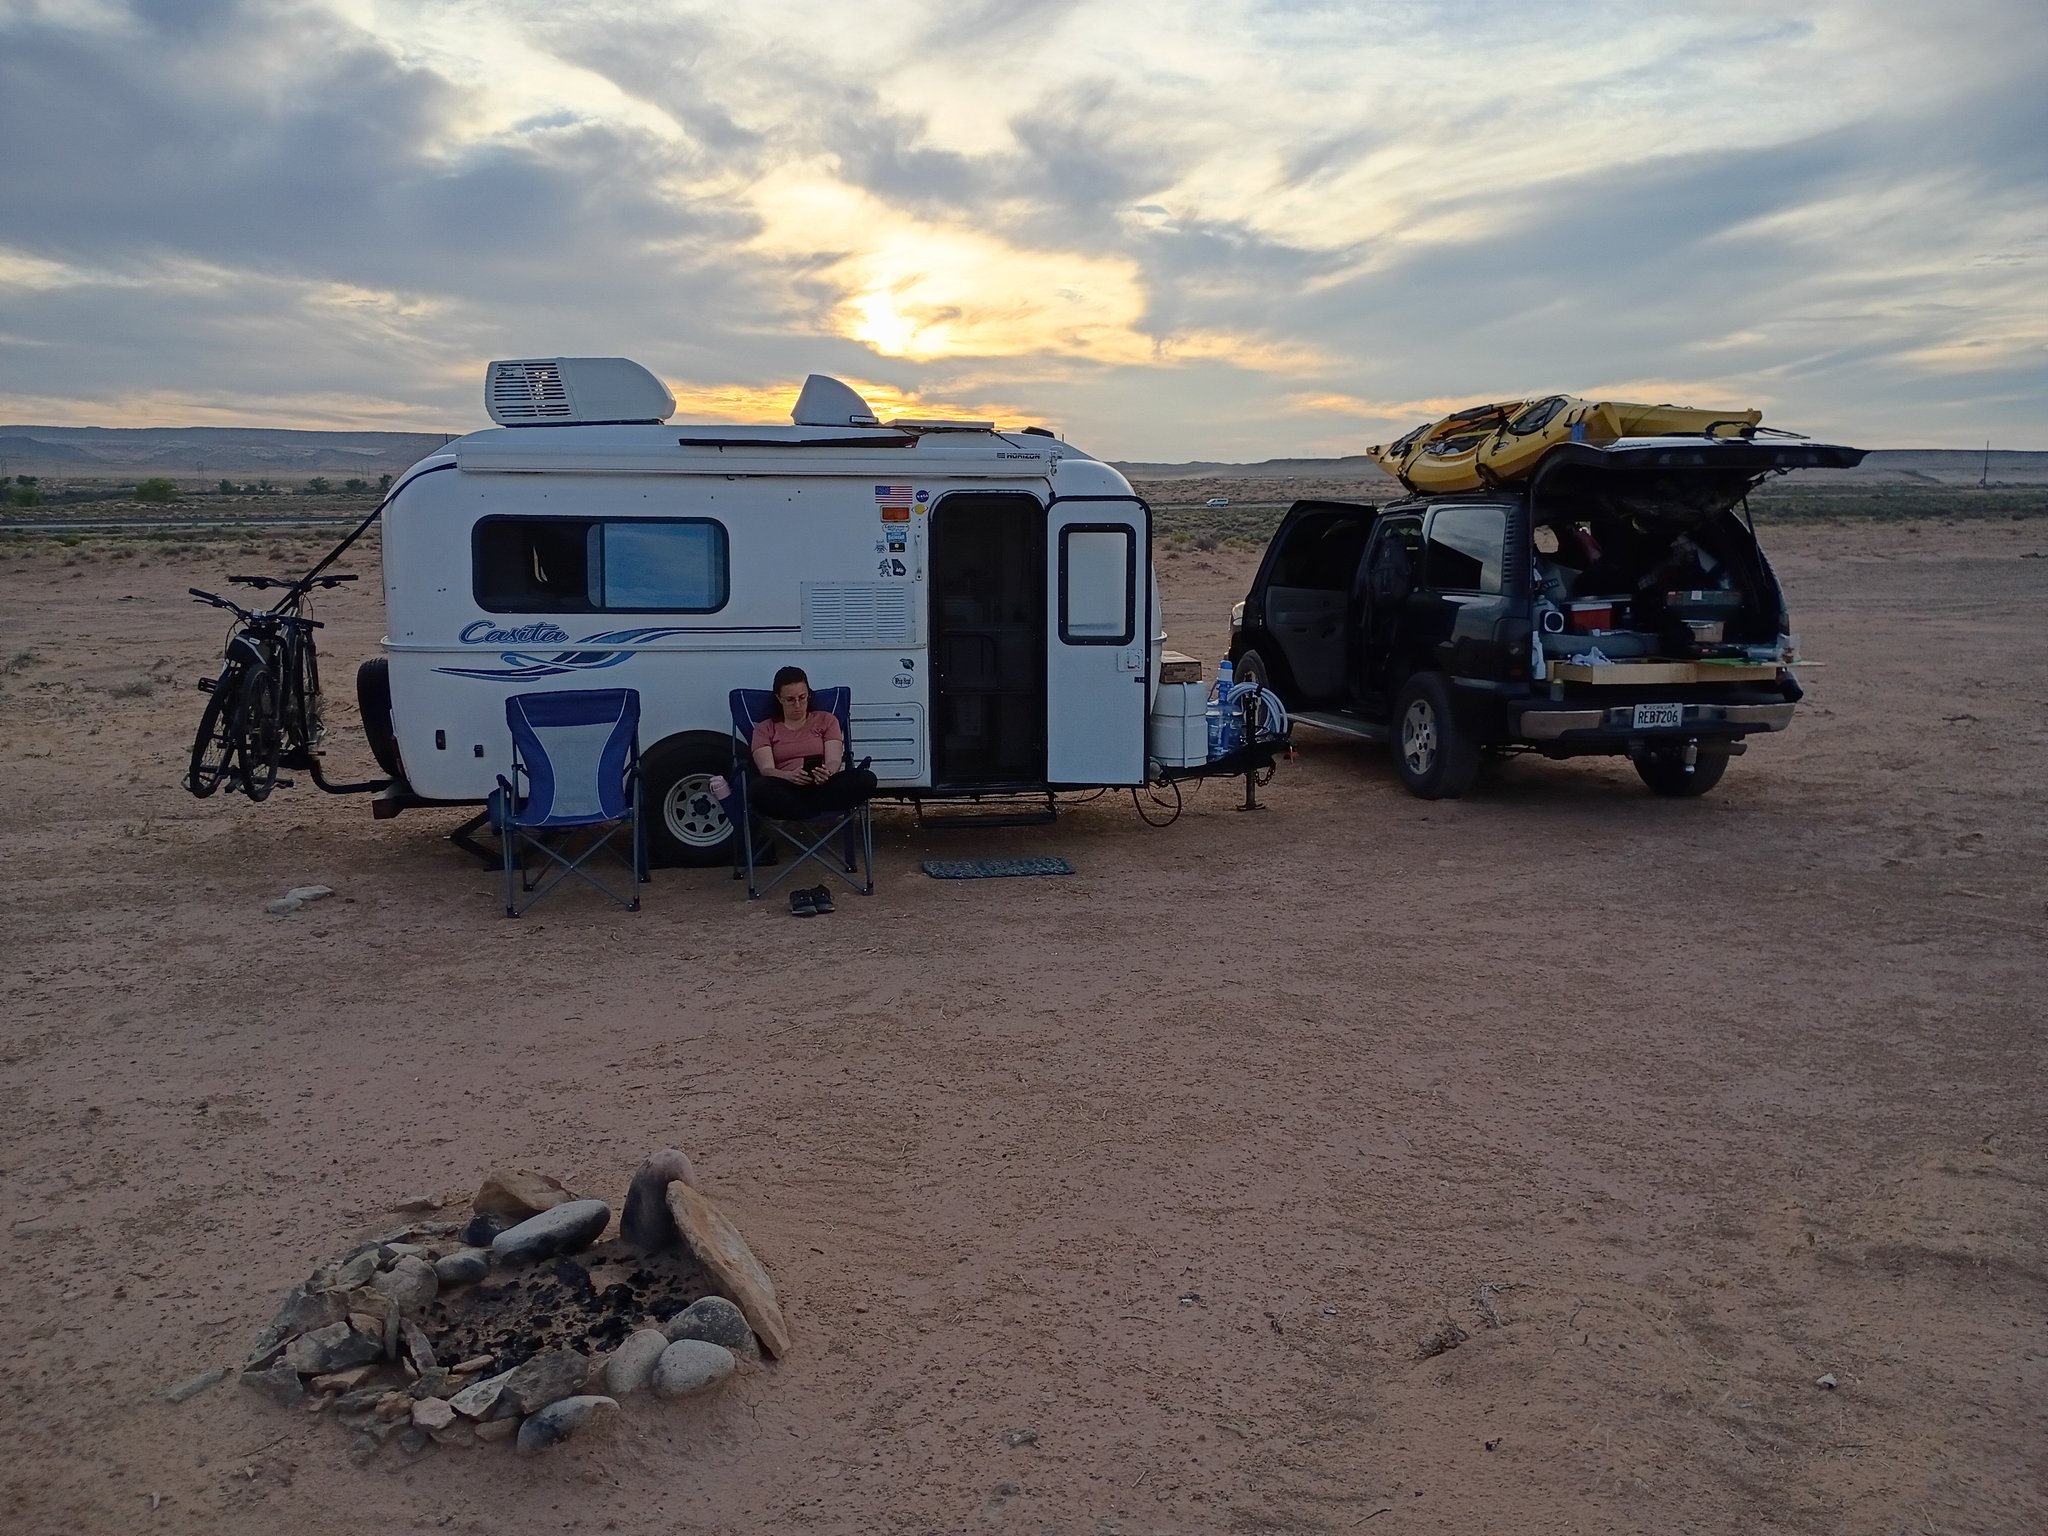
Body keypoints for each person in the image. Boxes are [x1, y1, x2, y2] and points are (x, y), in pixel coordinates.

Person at [746, 665, 878, 819]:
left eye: (802, 697)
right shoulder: (765, 728)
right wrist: (788, 776)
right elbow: (767, 769)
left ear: (809, 695)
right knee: (758, 789)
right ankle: (812, 808)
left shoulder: (826, 720)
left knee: (866, 779)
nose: (797, 705)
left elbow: (834, 759)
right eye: (790, 700)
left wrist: (826, 773)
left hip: (823, 784)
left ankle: (803, 809)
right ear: (779, 698)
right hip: (786, 785)